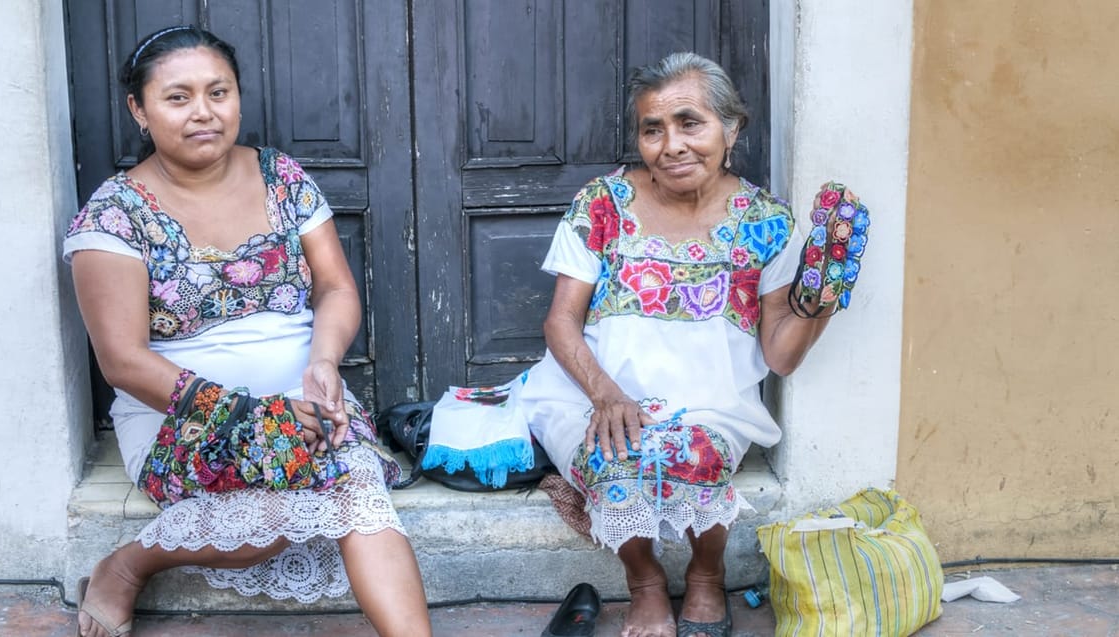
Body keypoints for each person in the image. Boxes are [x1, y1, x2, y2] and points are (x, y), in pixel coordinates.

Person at [436, 52, 845, 637]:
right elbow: (560, 322)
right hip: (592, 389)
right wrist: (605, 393)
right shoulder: (602, 203)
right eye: (653, 129)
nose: (671, 144)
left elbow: (780, 355)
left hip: (710, 399)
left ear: (732, 130)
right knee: (615, 456)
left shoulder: (768, 221)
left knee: (693, 452)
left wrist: (821, 296)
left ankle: (706, 573)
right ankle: (645, 580)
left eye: (690, 123)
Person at [64, 26, 431, 637]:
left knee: (345, 479)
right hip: (179, 417)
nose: (204, 113)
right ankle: (126, 567)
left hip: (305, 399)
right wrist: (249, 415)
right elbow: (123, 362)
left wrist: (324, 364)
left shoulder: (282, 177)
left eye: (218, 92)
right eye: (177, 98)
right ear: (139, 110)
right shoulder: (113, 215)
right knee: (325, 482)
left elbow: (335, 289)